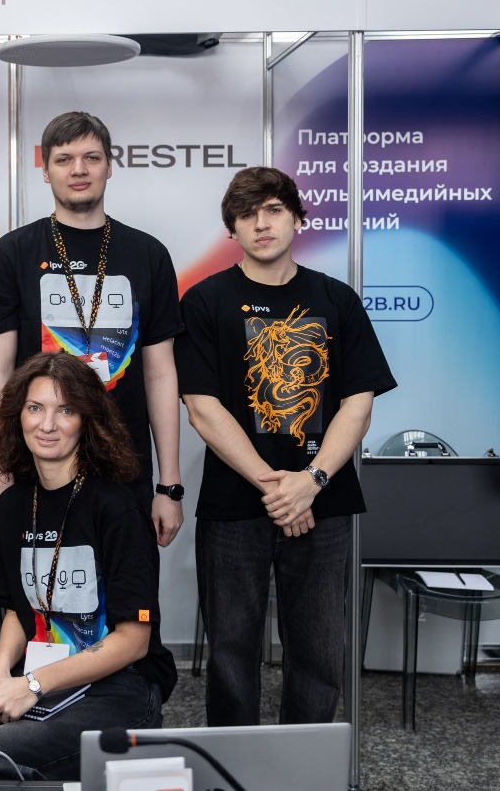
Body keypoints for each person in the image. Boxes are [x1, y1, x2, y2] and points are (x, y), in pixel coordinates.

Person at [176, 166, 396, 725]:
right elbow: (202, 408)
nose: (261, 224)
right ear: (231, 228)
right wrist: (280, 490)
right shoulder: (204, 301)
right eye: (247, 214)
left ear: (298, 218)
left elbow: (359, 404)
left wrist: (311, 482)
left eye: (274, 210)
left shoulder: (337, 299)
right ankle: (234, 765)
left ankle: (306, 764)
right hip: (235, 506)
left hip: (325, 503)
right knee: (231, 654)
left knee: (319, 654)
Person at [0, 352, 175, 781]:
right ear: (18, 416)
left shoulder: (117, 508)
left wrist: (32, 685)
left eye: (65, 410)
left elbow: (134, 641)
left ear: (87, 421)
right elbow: (19, 610)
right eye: (35, 408)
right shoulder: (12, 506)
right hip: (39, 674)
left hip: (119, 686)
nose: (47, 424)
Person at [0, 111, 185, 547]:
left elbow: (161, 373)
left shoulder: (148, 254)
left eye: (91, 157)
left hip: (124, 471)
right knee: (35, 589)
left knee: (127, 588)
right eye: (64, 159)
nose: (79, 169)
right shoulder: (13, 253)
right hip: (33, 469)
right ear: (45, 170)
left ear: (110, 166)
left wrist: (169, 485)